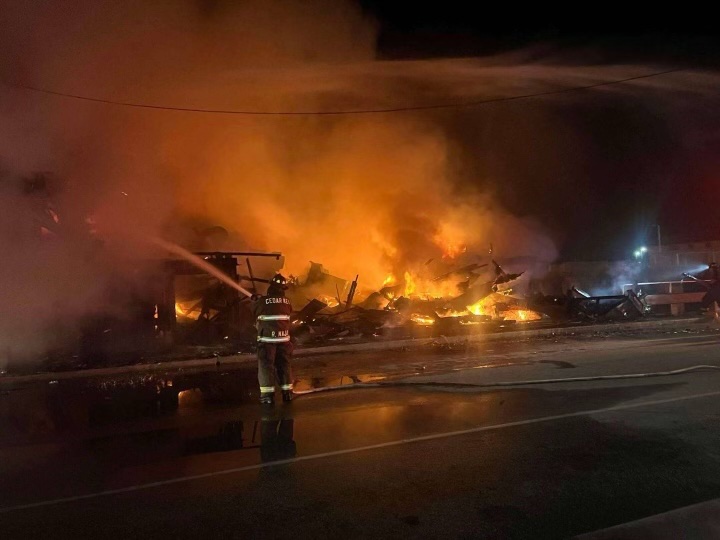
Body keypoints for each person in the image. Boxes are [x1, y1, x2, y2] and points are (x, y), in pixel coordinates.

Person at [252, 274, 294, 405]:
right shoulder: (287, 302)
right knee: (284, 364)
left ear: (271, 287)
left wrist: (256, 300)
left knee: (266, 365)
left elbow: (254, 311)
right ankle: (287, 393)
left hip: (267, 340)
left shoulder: (263, 301)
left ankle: (267, 396)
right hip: (284, 339)